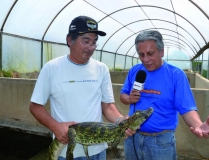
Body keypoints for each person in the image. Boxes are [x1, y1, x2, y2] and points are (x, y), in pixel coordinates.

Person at [29, 15, 134, 160]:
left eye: (94, 42)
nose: (91, 47)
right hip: (67, 151)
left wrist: (121, 121)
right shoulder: (51, 68)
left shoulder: (101, 69)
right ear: (69, 40)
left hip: (98, 150)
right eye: (86, 41)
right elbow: (35, 106)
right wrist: (55, 126)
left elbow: (107, 106)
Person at [120, 30, 209, 160]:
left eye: (150, 54)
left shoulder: (176, 75)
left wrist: (198, 125)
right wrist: (129, 98)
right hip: (131, 137)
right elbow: (123, 96)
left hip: (160, 142)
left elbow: (187, 109)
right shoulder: (135, 71)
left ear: (162, 51)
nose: (146, 59)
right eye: (141, 55)